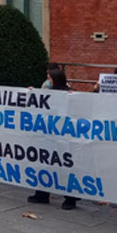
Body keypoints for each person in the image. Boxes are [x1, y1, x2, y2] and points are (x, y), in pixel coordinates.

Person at [27, 68, 78, 209]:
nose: (48, 81)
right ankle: (42, 194)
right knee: (45, 164)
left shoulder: (69, 94)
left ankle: (70, 198)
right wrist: (33, 93)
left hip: (63, 136)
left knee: (64, 167)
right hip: (49, 135)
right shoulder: (48, 93)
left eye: (49, 78)